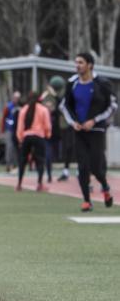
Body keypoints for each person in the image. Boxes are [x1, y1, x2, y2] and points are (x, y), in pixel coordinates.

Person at [60, 52, 116, 212]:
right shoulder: (72, 84)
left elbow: (112, 106)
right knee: (82, 166)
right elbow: (64, 106)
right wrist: (73, 123)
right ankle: (86, 200)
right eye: (76, 62)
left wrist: (94, 120)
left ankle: (105, 187)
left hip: (97, 131)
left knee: (96, 167)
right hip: (79, 132)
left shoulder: (102, 84)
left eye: (81, 62)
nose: (77, 65)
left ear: (90, 65)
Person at [15, 91, 51, 191]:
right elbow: (47, 125)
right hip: (39, 136)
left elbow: (20, 127)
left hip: (26, 136)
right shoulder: (43, 110)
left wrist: (20, 138)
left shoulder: (23, 110)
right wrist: (47, 135)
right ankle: (40, 184)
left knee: (22, 160)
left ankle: (19, 183)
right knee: (40, 160)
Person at [39, 76, 65, 183]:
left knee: (56, 153)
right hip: (46, 133)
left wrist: (54, 94)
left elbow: (60, 104)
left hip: (56, 132)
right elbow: (38, 102)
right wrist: (45, 95)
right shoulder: (43, 107)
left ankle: (52, 172)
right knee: (48, 154)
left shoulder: (58, 103)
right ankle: (48, 175)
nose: (49, 105)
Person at [0, 90, 21, 173]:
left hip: (17, 130)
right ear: (13, 98)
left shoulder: (20, 107)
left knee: (16, 148)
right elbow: (3, 118)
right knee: (9, 147)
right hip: (9, 129)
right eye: (15, 98)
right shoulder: (8, 107)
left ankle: (16, 164)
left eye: (18, 98)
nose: (16, 99)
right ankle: (8, 164)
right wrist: (2, 129)